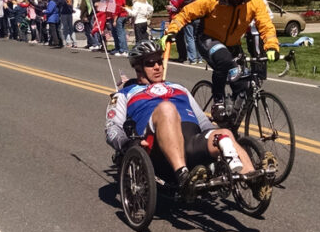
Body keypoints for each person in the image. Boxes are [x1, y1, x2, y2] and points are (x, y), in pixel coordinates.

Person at [105, 40, 254, 196]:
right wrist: (127, 143)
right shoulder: (124, 94)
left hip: (190, 139)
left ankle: (254, 179)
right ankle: (183, 175)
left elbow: (202, 121)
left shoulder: (179, 88)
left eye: (159, 61)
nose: (157, 66)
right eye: (150, 63)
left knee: (224, 134)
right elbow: (111, 128)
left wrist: (214, 138)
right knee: (166, 108)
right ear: (138, 68)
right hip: (156, 146)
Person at [164, 0, 280, 119]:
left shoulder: (255, 2)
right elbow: (186, 13)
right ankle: (218, 99)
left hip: (233, 45)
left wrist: (271, 46)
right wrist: (172, 31)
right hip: (208, 39)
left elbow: (266, 25)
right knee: (224, 60)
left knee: (245, 85)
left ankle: (231, 123)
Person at [175, 0, 202, 65]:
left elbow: (179, 4)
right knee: (196, 37)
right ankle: (200, 57)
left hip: (188, 16)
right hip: (197, 15)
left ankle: (192, 58)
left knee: (189, 38)